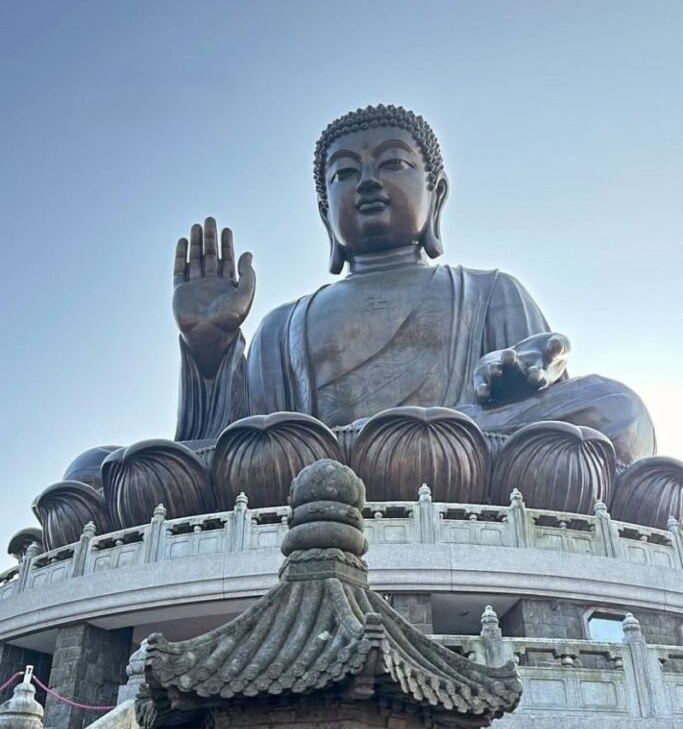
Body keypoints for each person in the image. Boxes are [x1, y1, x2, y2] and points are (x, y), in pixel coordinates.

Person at [172, 104, 654, 467]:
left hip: (460, 452)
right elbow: (235, 444)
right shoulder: (283, 325)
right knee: (98, 469)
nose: (365, 182)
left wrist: (523, 380)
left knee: (617, 409)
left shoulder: (489, 292)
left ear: (436, 194)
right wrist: (209, 349)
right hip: (314, 469)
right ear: (326, 212)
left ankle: (391, 448)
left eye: (392, 163)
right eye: (344, 172)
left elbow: (548, 407)